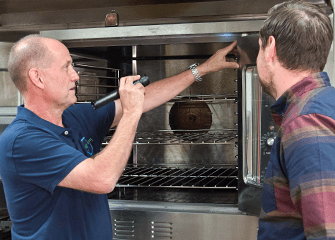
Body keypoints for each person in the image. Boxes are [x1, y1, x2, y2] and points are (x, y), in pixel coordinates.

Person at [0, 34, 239, 239]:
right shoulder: (22, 140)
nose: (75, 76)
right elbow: (102, 179)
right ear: (37, 77)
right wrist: (132, 112)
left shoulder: (74, 116)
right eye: (66, 67)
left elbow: (146, 97)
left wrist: (202, 69)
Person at [256, 0, 334, 239]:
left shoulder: (306, 121)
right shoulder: (320, 103)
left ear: (271, 48)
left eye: (258, 48)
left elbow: (326, 232)